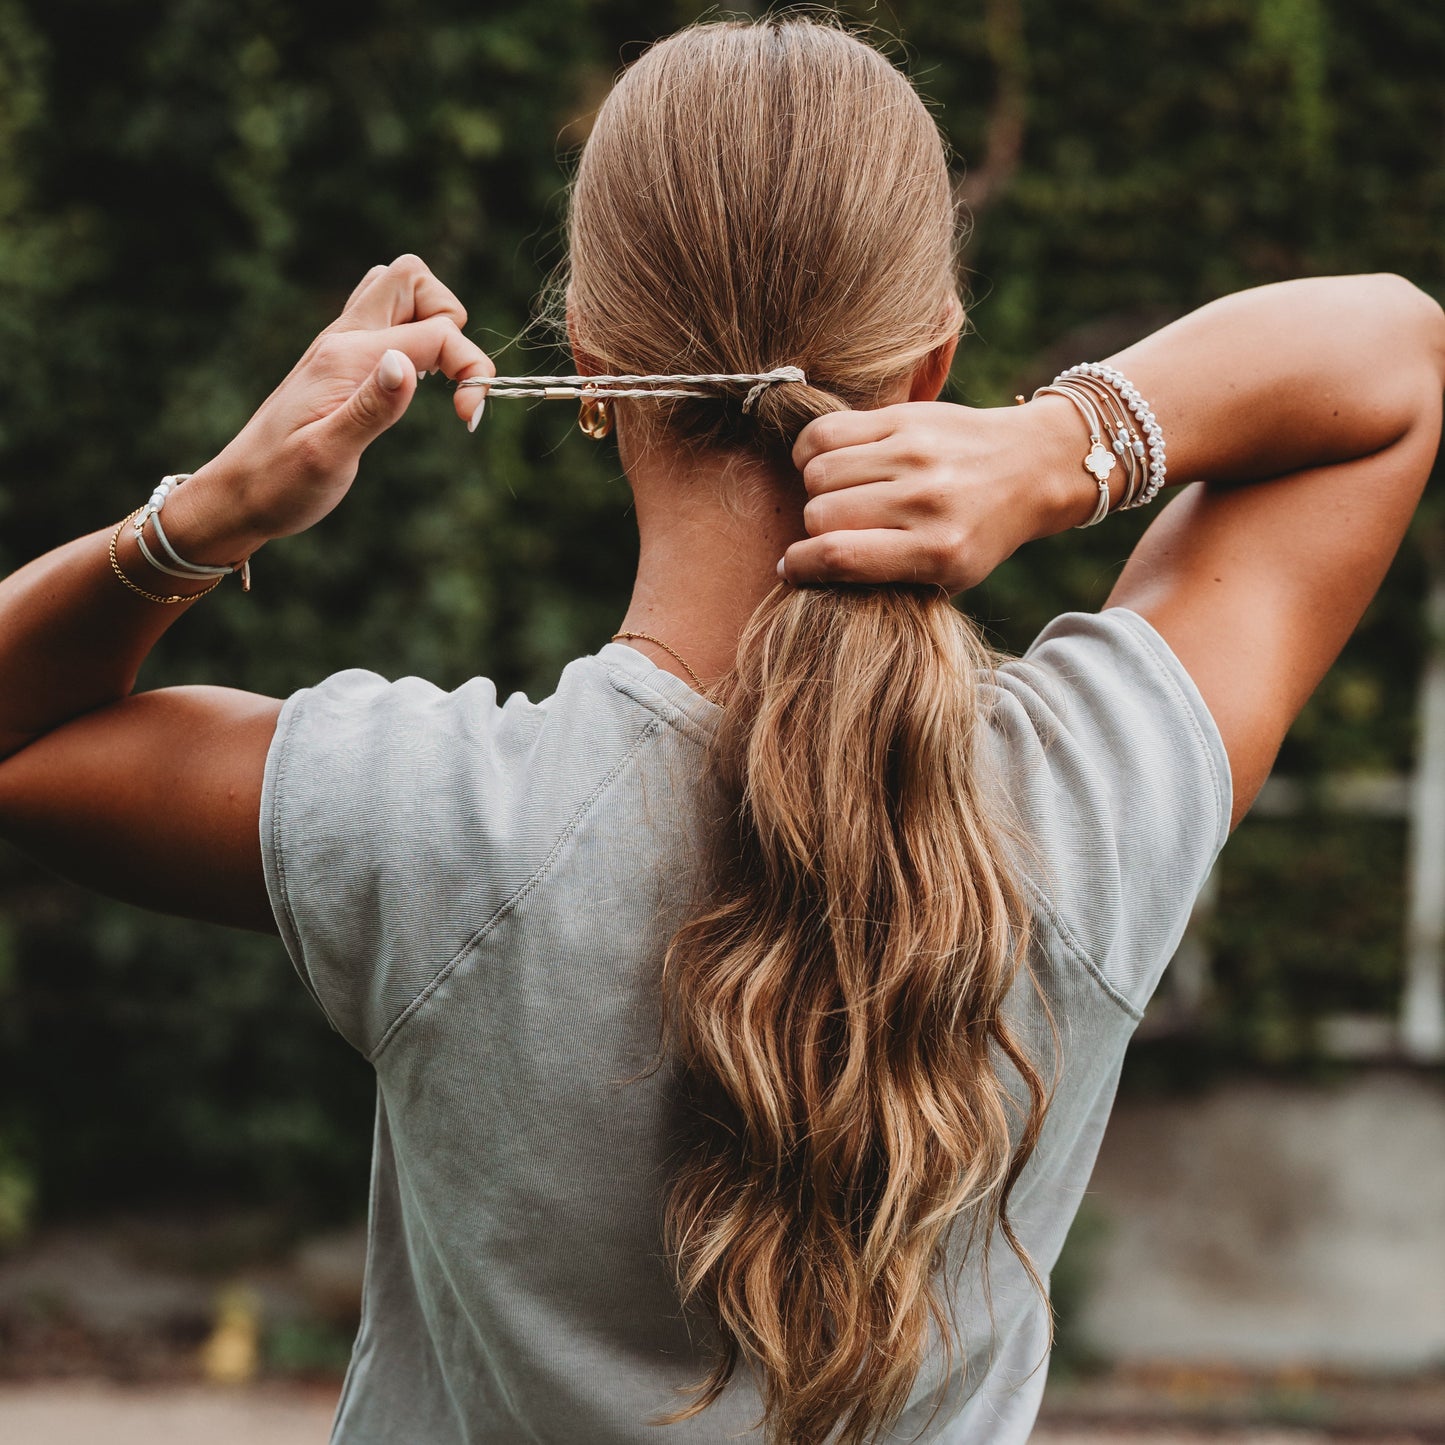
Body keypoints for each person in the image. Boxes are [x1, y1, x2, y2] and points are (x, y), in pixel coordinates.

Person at [0, 15, 1440, 1445]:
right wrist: (1063, 445)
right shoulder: (1089, 799)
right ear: (933, 363)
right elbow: (1393, 357)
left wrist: (204, 516)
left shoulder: (428, 822)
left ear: (588, 364)